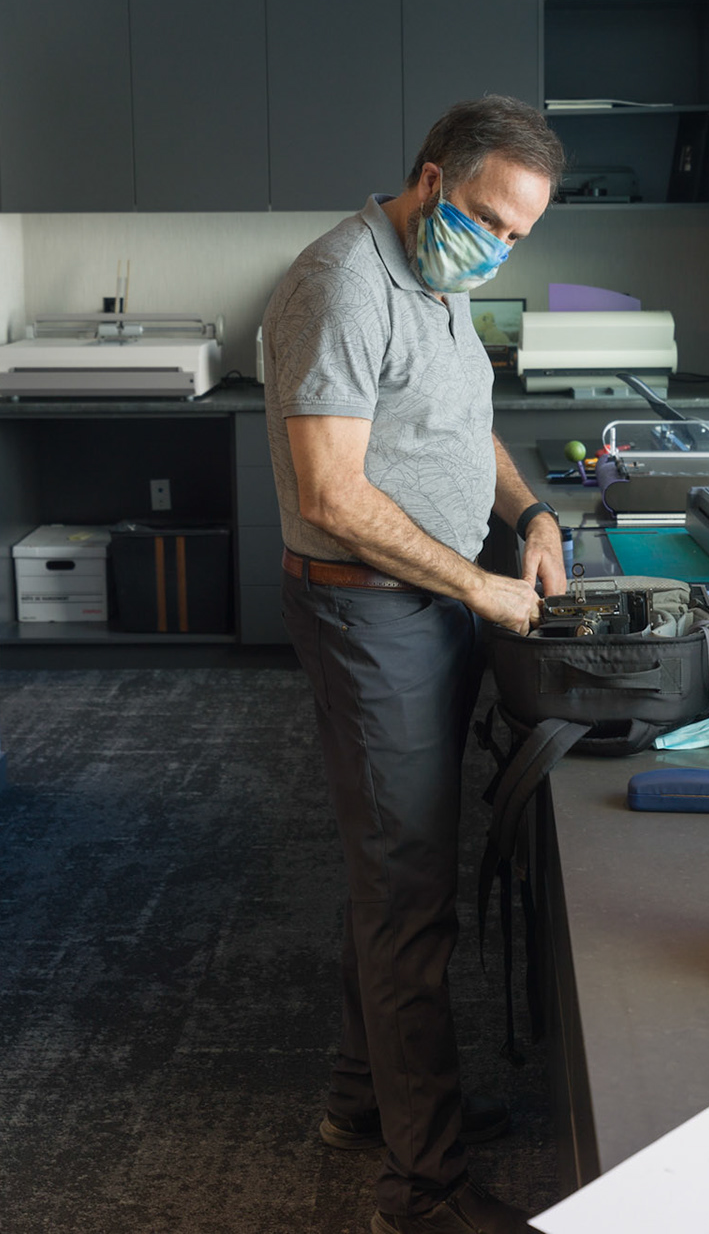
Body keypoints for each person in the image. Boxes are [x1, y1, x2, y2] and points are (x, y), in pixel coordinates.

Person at [264, 96, 567, 1234]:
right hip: (370, 612)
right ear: (434, 178)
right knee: (408, 895)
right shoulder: (342, 282)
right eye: (489, 219)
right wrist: (479, 587)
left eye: (518, 236)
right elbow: (332, 493)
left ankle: (368, 1099)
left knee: (396, 870)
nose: (497, 248)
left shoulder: (440, 281)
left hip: (429, 603)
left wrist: (531, 513)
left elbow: (456, 424)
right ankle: (422, 1188)